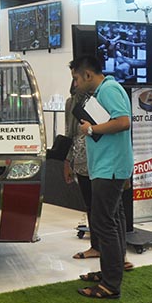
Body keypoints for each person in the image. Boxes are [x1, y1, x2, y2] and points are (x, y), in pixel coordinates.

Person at [71, 55, 133, 300]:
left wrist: (91, 129)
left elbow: (124, 122)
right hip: (106, 167)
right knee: (111, 221)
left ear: (87, 74)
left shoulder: (109, 90)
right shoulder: (102, 92)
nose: (75, 84)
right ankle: (110, 272)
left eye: (76, 78)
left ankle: (110, 284)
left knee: (104, 224)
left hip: (110, 168)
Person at [64, 78, 98, 260]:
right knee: (91, 205)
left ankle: (115, 251)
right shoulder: (71, 103)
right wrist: (67, 162)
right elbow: (69, 133)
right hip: (82, 161)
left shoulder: (100, 98)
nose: (76, 84)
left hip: (102, 159)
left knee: (109, 208)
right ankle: (96, 246)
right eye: (74, 79)